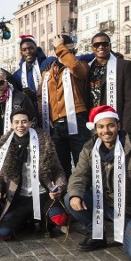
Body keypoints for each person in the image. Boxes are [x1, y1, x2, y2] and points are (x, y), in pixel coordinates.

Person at [65, 106, 131, 261]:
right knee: (70, 197)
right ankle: (96, 233)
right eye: (101, 127)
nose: (106, 131)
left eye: (110, 125)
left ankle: (127, 232)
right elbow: (79, 175)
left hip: (129, 210)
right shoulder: (90, 149)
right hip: (101, 202)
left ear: (118, 126)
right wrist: (76, 194)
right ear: (96, 129)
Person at [0, 109, 66, 240]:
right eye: (16, 122)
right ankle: (26, 221)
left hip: (43, 195)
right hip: (19, 198)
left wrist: (60, 187)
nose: (20, 126)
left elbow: (58, 170)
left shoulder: (44, 142)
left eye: (24, 122)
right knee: (4, 234)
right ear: (12, 125)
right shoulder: (5, 146)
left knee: (59, 218)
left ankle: (45, 222)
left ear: (30, 123)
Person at [41, 34, 91, 179]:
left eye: (68, 50)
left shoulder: (80, 65)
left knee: (82, 164)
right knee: (61, 167)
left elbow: (76, 68)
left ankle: (84, 197)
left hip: (77, 119)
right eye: (61, 49)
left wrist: (61, 48)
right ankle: (64, 199)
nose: (65, 52)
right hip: (56, 124)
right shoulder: (48, 72)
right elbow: (41, 97)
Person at [85, 32, 131, 133]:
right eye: (96, 45)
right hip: (94, 121)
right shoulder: (87, 68)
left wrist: (126, 127)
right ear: (92, 48)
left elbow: (130, 99)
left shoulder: (124, 66)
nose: (101, 47)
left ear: (110, 46)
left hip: (115, 122)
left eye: (104, 44)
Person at [0, 69, 36, 149]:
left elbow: (33, 122)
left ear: (6, 82)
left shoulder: (21, 99)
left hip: (19, 146)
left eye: (1, 82)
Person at [13, 35, 56, 110]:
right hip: (31, 111)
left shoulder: (48, 62)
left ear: (36, 48)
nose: (28, 52)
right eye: (24, 50)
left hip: (51, 108)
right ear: (21, 52)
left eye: (31, 48)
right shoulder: (17, 75)